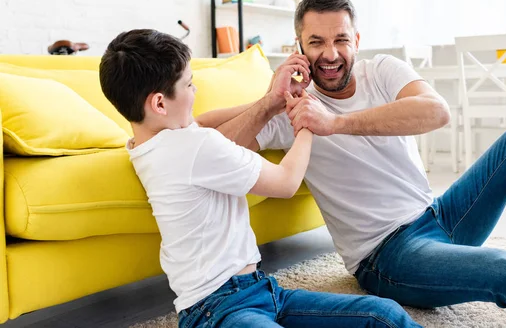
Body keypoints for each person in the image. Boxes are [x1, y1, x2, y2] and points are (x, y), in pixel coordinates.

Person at [199, 0, 506, 327]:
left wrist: (334, 124)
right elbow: (201, 136)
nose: (331, 53)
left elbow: (435, 111)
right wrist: (270, 101)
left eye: (340, 39)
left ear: (357, 38)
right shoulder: (293, 109)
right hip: (388, 256)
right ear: (299, 49)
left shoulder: (383, 71)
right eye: (316, 42)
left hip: (438, 216)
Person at [99, 29, 421, 328]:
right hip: (218, 310)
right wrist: (308, 120)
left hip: (261, 290)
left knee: (382, 314)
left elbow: (207, 129)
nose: (195, 91)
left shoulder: (147, 145)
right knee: (384, 317)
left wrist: (272, 100)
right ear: (159, 103)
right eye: (188, 84)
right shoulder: (192, 146)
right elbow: (286, 181)